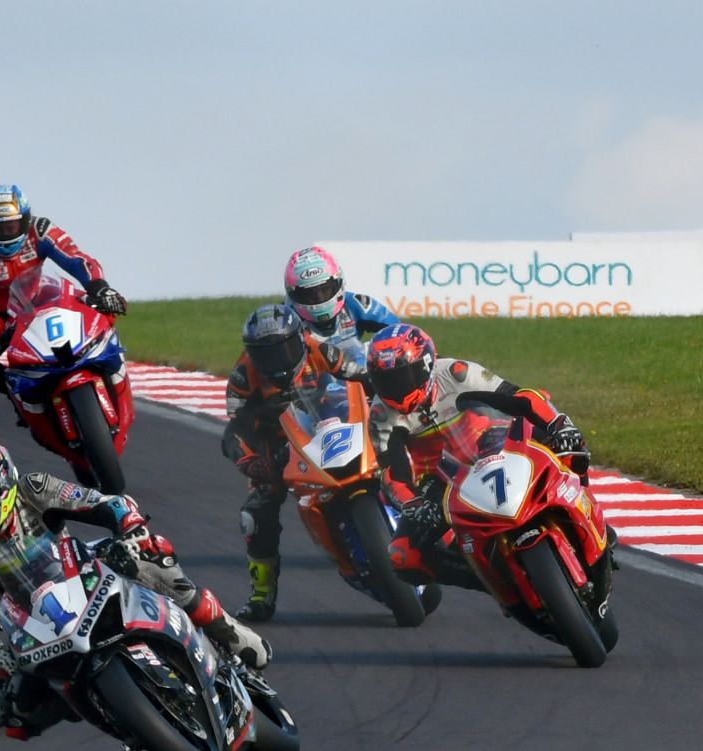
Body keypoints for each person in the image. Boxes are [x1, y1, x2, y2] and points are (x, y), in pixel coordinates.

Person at [0, 438, 270, 739]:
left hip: (80, 568)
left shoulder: (33, 488)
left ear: (5, 481)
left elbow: (99, 502)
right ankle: (114, 714)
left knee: (152, 558)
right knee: (17, 715)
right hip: (34, 621)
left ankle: (224, 629)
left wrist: (129, 527)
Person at [364, 324, 595, 584]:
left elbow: (517, 396)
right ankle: (494, 579)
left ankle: (587, 508)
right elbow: (392, 474)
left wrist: (559, 423)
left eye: (402, 377)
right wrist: (413, 504)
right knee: (403, 557)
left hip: (493, 441)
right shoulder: (381, 415)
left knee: (566, 441)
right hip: (441, 477)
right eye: (386, 381)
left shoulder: (456, 373)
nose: (395, 388)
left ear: (426, 364)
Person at [221, 303, 368, 620]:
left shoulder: (320, 351)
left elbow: (359, 376)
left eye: (283, 348)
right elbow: (234, 429)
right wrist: (249, 461)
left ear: (299, 338)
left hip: (333, 422)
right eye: (265, 353)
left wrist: (379, 390)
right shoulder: (243, 375)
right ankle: (262, 596)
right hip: (279, 442)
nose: (275, 359)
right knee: (254, 514)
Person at [0, 184, 126, 390]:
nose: (4, 233)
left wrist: (100, 288)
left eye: (11, 226)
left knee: (108, 305)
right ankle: (21, 397)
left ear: (25, 221)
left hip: (41, 296)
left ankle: (114, 371)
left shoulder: (40, 229)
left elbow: (76, 259)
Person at [283, 245, 400, 360]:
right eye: (309, 294)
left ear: (338, 281)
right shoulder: (285, 321)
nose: (319, 298)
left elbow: (399, 331)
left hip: (358, 373)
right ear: (294, 295)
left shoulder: (356, 303)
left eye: (325, 289)